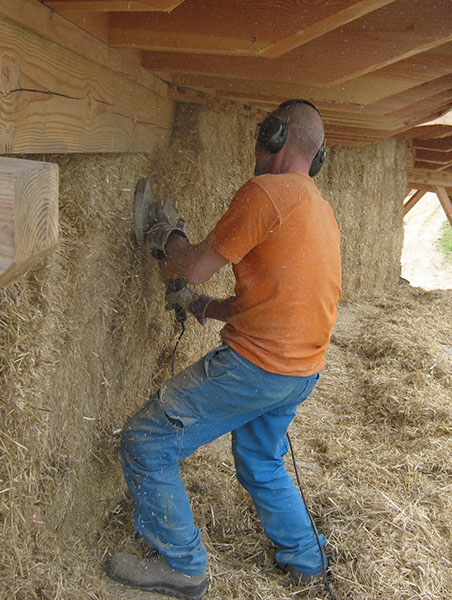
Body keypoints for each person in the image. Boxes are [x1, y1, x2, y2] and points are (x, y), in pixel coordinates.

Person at [108, 99, 342, 600]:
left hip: (259, 369)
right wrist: (203, 307)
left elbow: (189, 267)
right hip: (301, 372)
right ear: (317, 158)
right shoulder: (319, 210)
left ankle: (183, 566)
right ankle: (307, 560)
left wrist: (168, 239)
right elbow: (270, 304)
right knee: (261, 459)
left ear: (273, 137)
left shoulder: (266, 192)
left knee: (146, 442)